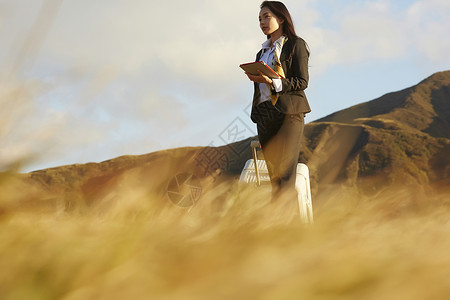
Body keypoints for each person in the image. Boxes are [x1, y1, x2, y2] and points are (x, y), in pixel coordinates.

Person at [244, 1, 310, 220]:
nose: (262, 22)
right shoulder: (260, 53)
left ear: (281, 18)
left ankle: (286, 227)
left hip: (289, 113)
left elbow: (301, 81)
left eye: (266, 17)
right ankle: (277, 228)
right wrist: (257, 78)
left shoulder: (295, 44)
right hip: (265, 116)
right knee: (274, 177)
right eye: (260, 19)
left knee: (286, 174)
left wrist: (274, 82)